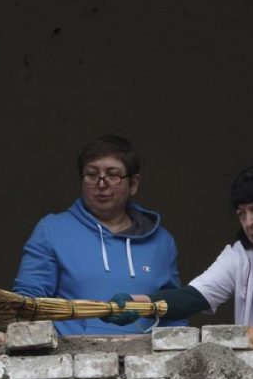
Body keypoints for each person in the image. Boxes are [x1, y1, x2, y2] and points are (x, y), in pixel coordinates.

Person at [111, 163, 253, 328]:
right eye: (241, 214)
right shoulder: (241, 256)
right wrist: (138, 304)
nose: (249, 222)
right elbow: (195, 296)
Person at [13, 135, 186, 335]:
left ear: (133, 184)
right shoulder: (52, 230)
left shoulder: (162, 242)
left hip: (143, 354)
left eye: (113, 175)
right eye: (92, 174)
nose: (101, 184)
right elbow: (27, 306)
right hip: (70, 352)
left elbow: (174, 312)